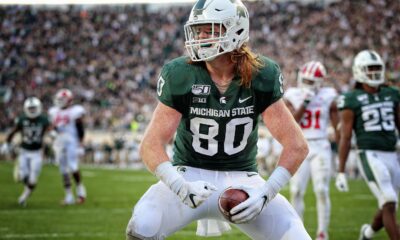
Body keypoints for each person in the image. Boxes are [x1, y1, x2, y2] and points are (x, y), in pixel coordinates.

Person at [125, 0, 311, 239]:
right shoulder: (180, 73)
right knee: (143, 225)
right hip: (188, 175)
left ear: (236, 30)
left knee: (294, 234)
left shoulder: (262, 74)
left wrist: (266, 192)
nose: (201, 37)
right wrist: (179, 186)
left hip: (243, 178)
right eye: (198, 29)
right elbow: (150, 145)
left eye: (210, 30)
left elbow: (297, 146)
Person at [335, 50, 400, 240]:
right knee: (388, 200)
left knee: (389, 203)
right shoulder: (351, 98)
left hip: (392, 154)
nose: (374, 73)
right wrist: (341, 170)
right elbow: (346, 137)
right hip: (370, 154)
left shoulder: (392, 94)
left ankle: (367, 233)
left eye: (377, 68)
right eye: (369, 69)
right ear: (359, 71)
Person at [284, 61, 339, 240]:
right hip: (300, 145)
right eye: (305, 80)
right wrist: (305, 102)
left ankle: (323, 233)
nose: (306, 84)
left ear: (319, 82)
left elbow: (337, 124)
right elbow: (292, 122)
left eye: (310, 81)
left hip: (321, 145)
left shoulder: (328, 95)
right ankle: (298, 233)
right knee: (296, 190)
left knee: (321, 190)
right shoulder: (293, 94)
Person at [2, 97, 51, 206]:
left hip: (37, 152)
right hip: (24, 151)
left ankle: (24, 197)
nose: (32, 110)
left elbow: (50, 129)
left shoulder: (43, 119)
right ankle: (25, 186)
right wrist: (6, 143)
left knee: (33, 180)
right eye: (30, 108)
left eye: (34, 108)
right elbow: (13, 131)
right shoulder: (22, 119)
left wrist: (53, 133)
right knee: (23, 176)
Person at [48, 88, 87, 205]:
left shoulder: (75, 111)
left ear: (69, 100)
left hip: (72, 142)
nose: (60, 101)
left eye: (62, 99)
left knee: (73, 166)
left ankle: (81, 192)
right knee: (63, 170)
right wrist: (52, 132)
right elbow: (53, 127)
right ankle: (68, 196)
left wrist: (80, 144)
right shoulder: (54, 111)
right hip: (59, 142)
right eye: (59, 99)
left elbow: (80, 129)